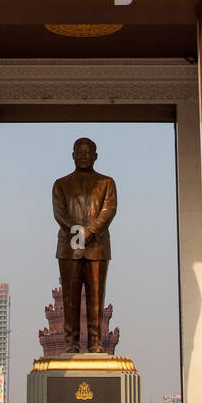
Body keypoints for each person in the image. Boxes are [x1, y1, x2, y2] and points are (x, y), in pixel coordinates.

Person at [52, 137, 117, 354]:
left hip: (97, 246)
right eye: (79, 152)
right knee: (70, 297)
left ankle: (95, 343)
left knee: (96, 297)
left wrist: (92, 231)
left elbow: (109, 210)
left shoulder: (107, 183)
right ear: (72, 156)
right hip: (69, 246)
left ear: (95, 156)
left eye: (87, 152)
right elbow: (60, 213)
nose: (83, 156)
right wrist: (80, 231)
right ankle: (71, 342)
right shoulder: (61, 184)